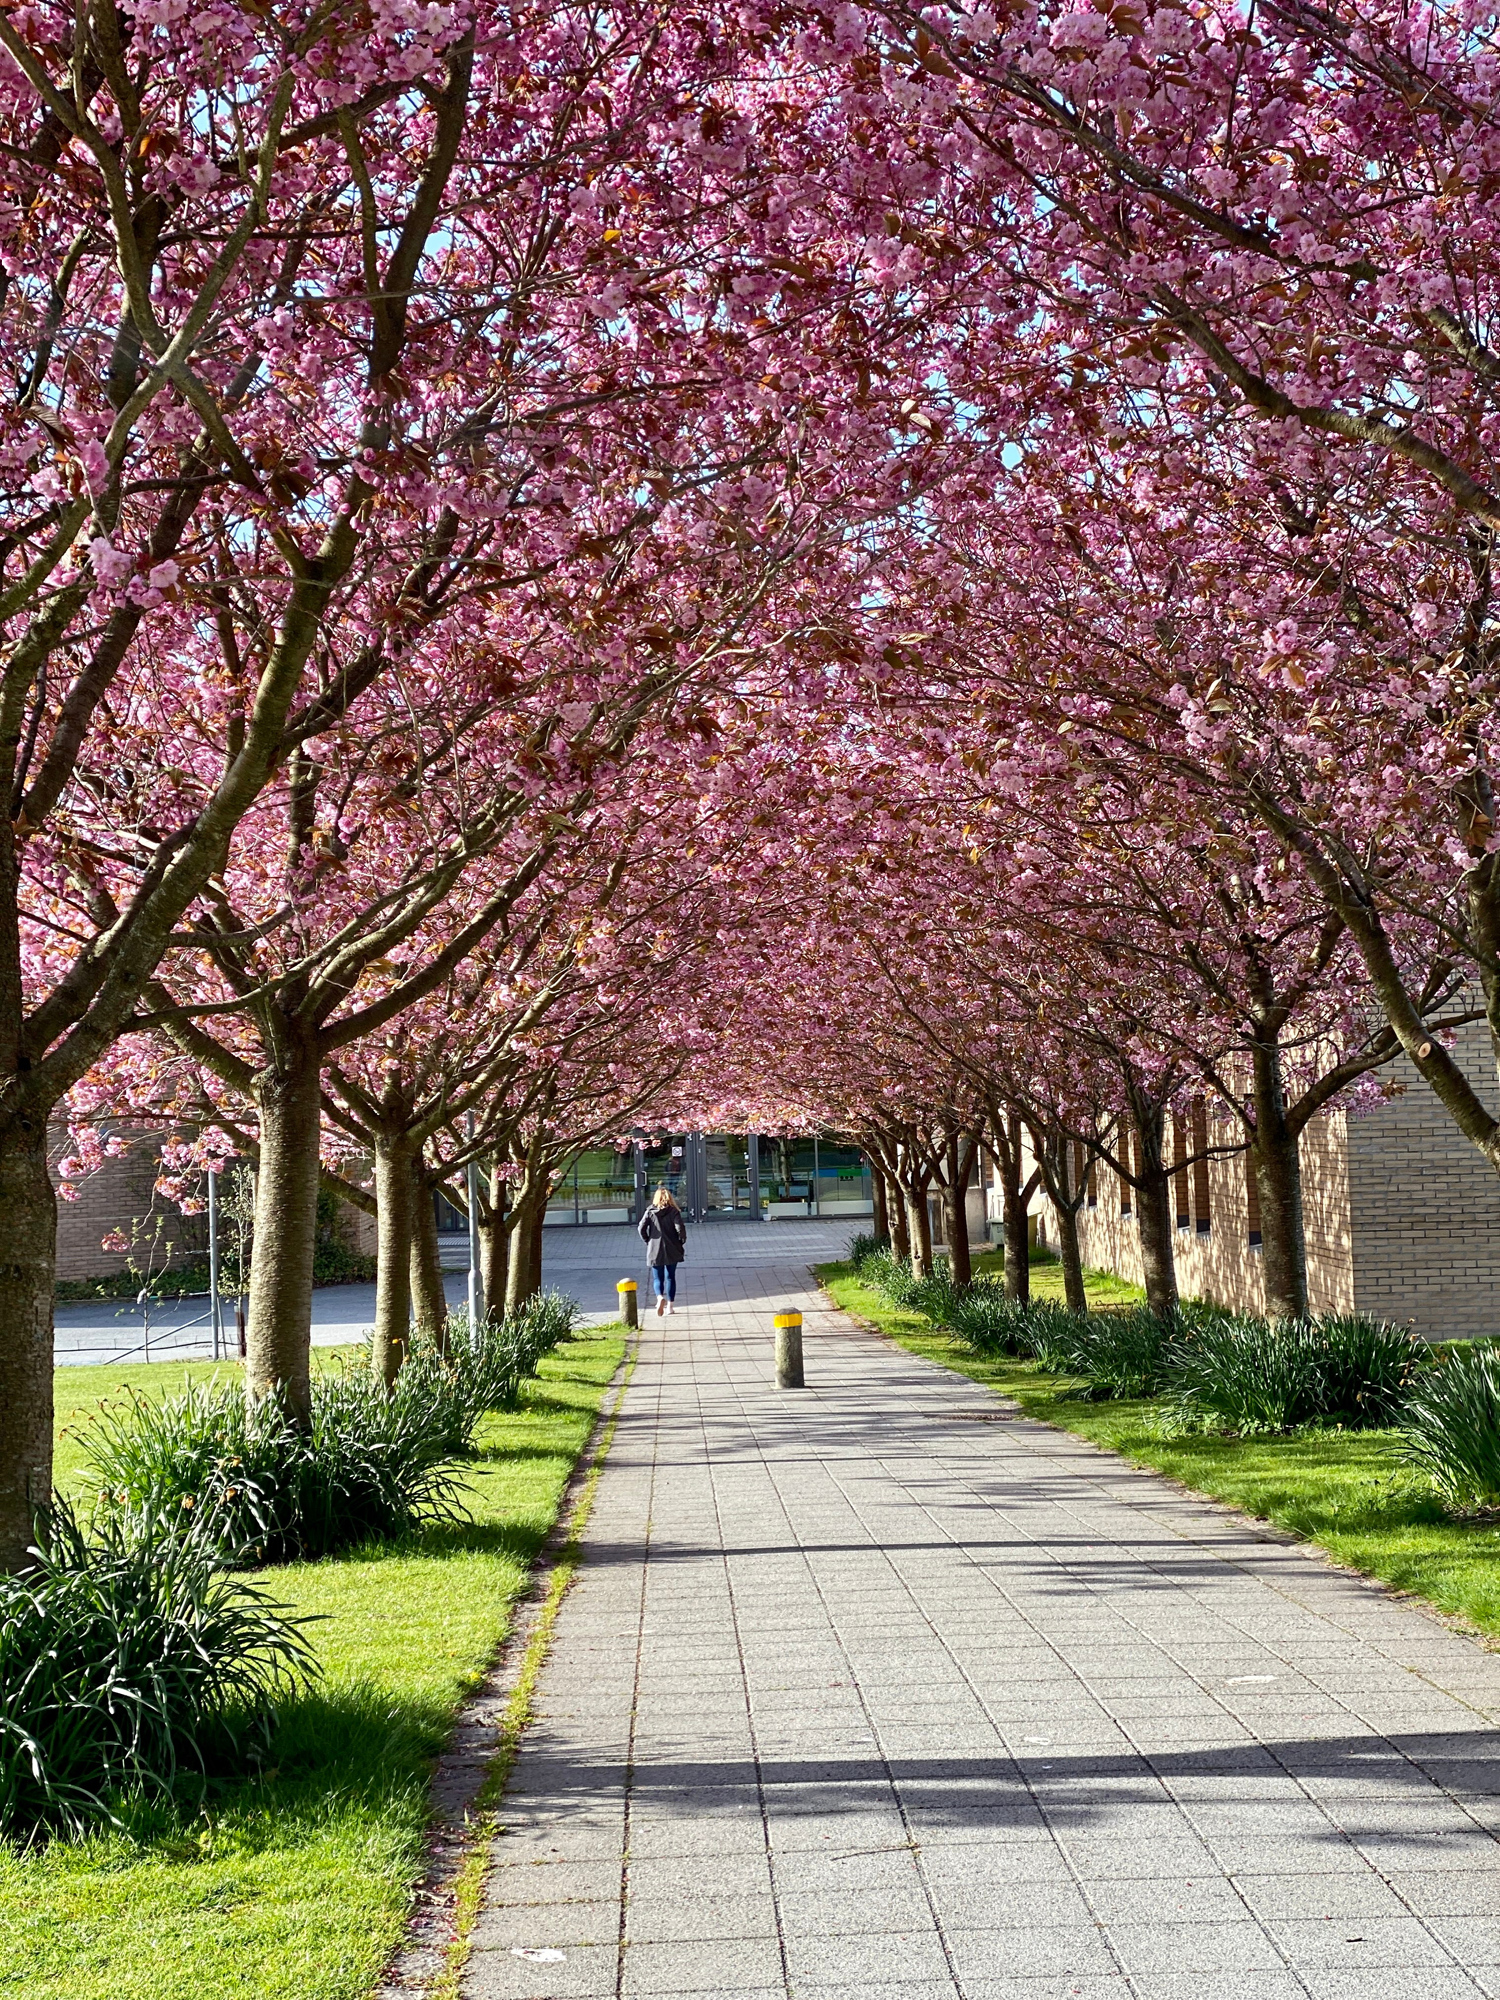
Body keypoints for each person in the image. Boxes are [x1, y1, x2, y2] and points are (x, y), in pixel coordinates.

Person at [638, 1186, 687, 1316]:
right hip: (672, 1248)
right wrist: (681, 1241)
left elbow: (641, 1227)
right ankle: (670, 1307)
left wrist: (648, 1240)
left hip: (655, 1248)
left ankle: (659, 1298)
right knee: (670, 1277)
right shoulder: (674, 1211)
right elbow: (680, 1228)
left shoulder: (650, 1211)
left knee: (657, 1278)